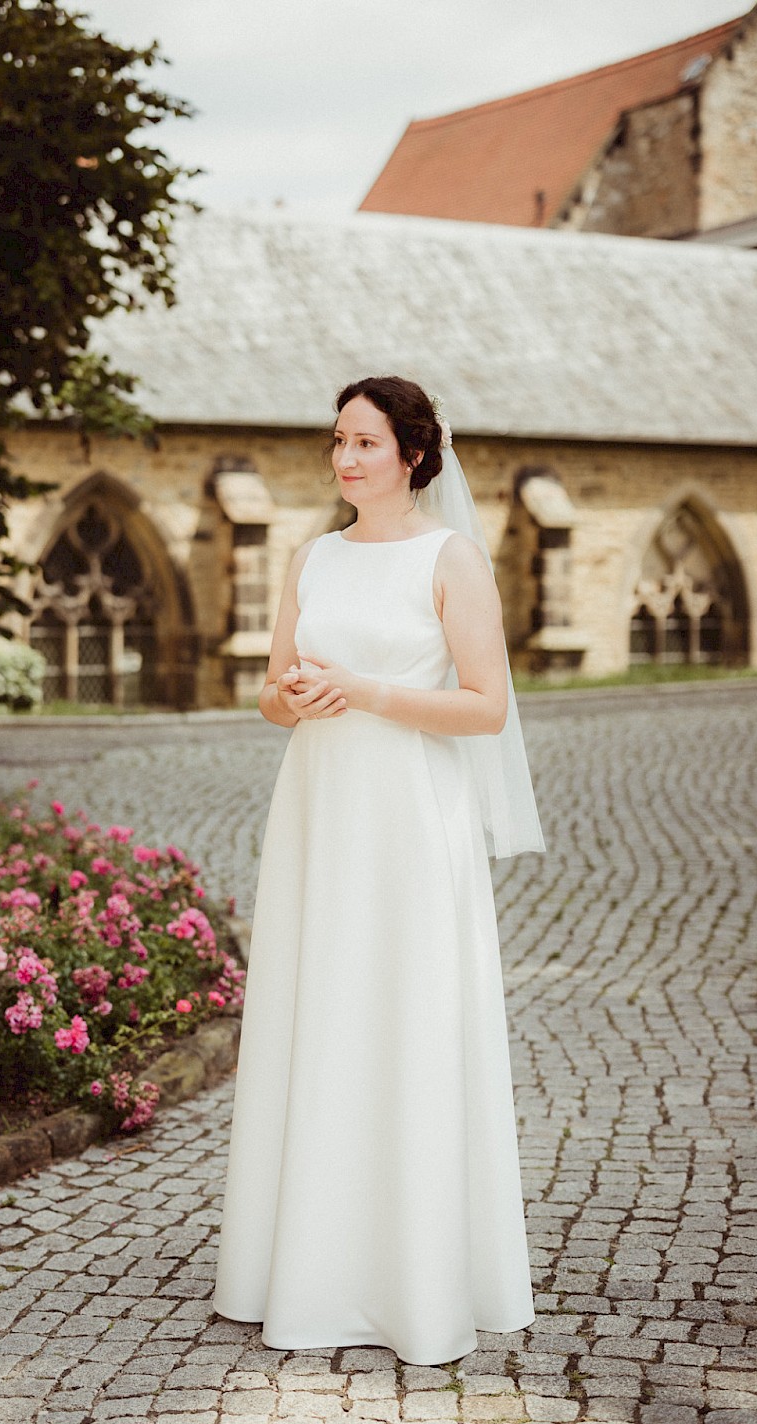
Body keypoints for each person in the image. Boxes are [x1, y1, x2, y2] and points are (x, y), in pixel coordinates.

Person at [212, 375, 544, 1366]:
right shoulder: (310, 557)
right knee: (319, 1010)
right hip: (320, 807)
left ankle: (419, 1275)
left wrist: (362, 689)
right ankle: (304, 1265)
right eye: (337, 442)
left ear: (411, 454)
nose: (345, 459)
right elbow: (271, 692)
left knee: (403, 1015)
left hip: (409, 814)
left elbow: (485, 707)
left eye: (364, 442)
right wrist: (297, 700)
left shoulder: (451, 561)